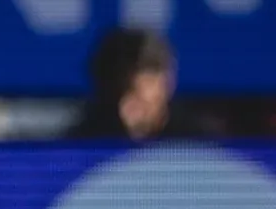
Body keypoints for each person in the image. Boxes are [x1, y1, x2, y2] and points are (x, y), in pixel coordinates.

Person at [71, 26, 203, 139]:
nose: (129, 106)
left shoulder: (199, 141)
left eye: (139, 98)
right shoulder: (77, 144)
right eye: (122, 92)